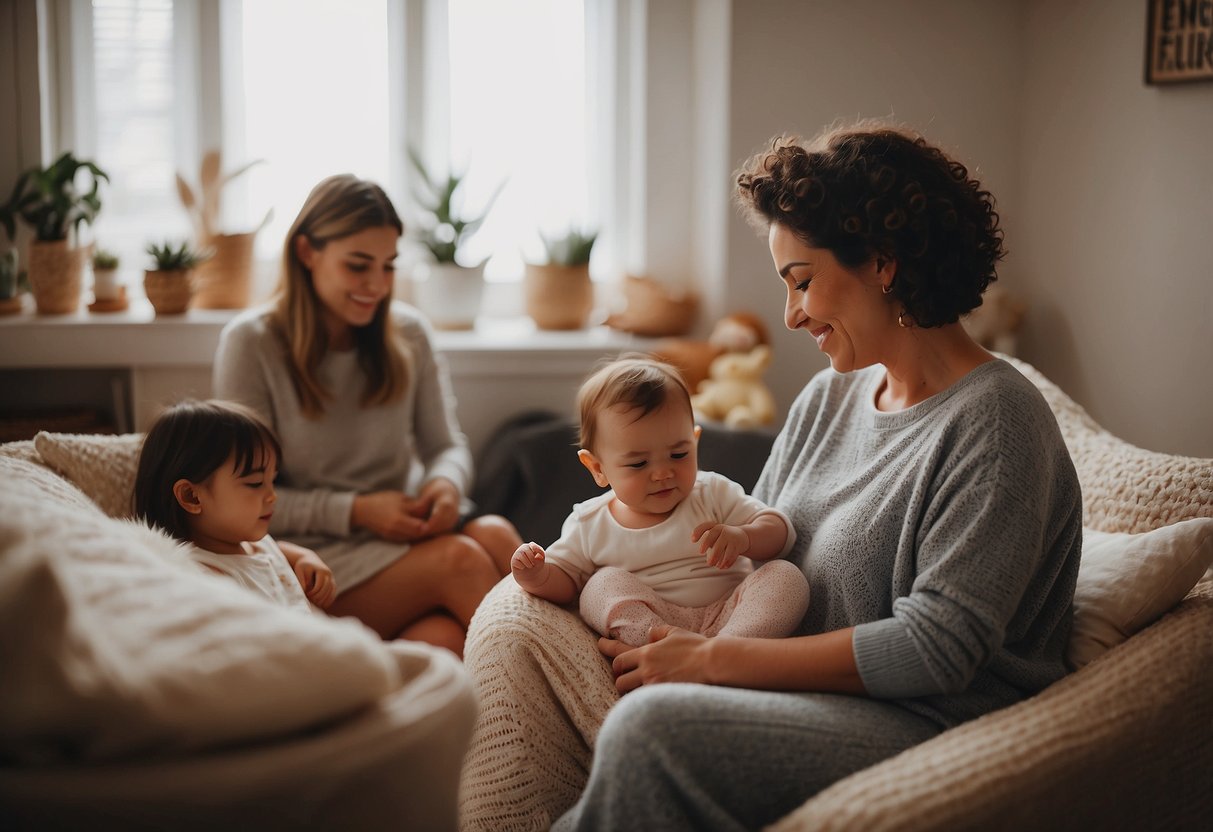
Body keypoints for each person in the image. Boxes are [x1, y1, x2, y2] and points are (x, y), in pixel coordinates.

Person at [461, 121, 1085, 831]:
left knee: (652, 732)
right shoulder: (830, 397)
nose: (789, 316)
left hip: (925, 723)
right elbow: (765, 546)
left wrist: (715, 661)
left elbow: (937, 650)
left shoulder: (996, 422)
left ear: (882, 262)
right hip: (790, 688)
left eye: (803, 282)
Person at [212, 174, 521, 656]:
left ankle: (560, 685)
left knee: (488, 553)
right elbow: (240, 497)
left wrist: (444, 485)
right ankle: (574, 699)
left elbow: (446, 447)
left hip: (404, 537)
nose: (376, 285)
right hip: (315, 555)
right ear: (307, 253)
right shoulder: (251, 344)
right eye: (358, 266)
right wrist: (357, 511)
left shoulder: (409, 335)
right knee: (459, 562)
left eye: (389, 266)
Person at [512, 356, 810, 646]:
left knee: (785, 577)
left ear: (694, 442)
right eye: (639, 464)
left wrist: (744, 537)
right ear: (598, 468)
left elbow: (781, 533)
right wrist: (536, 576)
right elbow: (566, 584)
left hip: (730, 614)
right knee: (599, 586)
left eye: (679, 455)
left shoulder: (712, 493)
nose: (663, 473)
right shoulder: (590, 523)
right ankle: (671, 652)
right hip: (655, 628)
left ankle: (727, 651)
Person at [133, 399, 336, 614]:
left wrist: (305, 557)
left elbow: (274, 549)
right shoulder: (204, 574)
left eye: (272, 480)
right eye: (255, 483)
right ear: (191, 496)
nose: (272, 496)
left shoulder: (249, 543)